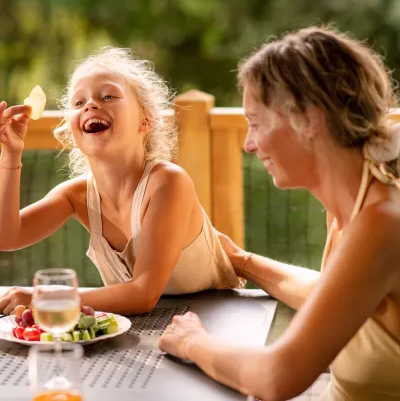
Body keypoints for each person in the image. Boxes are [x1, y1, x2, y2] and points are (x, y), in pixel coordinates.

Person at [159, 26, 400, 400]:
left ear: (310, 119)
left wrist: (194, 343)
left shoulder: (383, 222)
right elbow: (329, 296)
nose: (248, 144)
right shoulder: (353, 208)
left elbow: (276, 378)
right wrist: (241, 261)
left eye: (255, 123)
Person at [0, 47, 240, 316]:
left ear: (145, 121)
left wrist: (48, 298)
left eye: (108, 96)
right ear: (72, 132)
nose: (91, 105)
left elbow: (142, 294)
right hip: (147, 330)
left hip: (219, 320)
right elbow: (3, 237)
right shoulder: (77, 195)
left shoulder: (167, 183)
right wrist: (11, 152)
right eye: (78, 102)